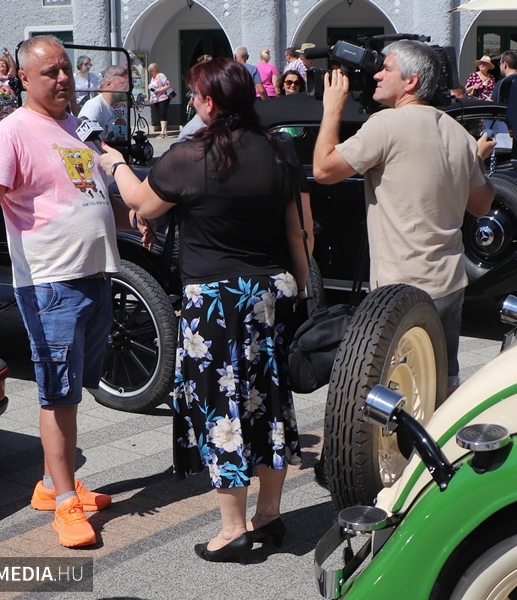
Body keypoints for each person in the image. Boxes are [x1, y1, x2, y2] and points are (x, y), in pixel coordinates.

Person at [0, 34, 149, 549]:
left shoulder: (77, 128)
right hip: (50, 284)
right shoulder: (12, 133)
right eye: (51, 72)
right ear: (23, 78)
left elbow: (90, 196)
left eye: (66, 68)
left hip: (96, 276)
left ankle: (51, 484)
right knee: (56, 393)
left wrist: (132, 217)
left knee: (71, 392)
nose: (63, 78)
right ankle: (65, 501)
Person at [100, 57, 312, 564]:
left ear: (211, 103)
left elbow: (142, 203)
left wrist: (116, 165)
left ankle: (233, 530)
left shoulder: (189, 155)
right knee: (268, 403)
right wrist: (300, 294)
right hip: (271, 294)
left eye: (195, 97)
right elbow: (297, 230)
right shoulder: (279, 148)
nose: (192, 103)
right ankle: (269, 514)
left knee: (223, 408)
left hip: (216, 302)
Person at [313, 40, 496, 394]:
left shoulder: (386, 124)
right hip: (449, 284)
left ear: (410, 82)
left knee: (393, 395)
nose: (377, 75)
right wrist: (476, 160)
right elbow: (482, 205)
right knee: (442, 385)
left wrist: (333, 108)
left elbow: (323, 169)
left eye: (387, 69)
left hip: (401, 291)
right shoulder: (457, 133)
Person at [78, 65, 130, 139]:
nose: (127, 88)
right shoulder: (93, 106)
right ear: (109, 84)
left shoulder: (121, 109)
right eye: (123, 84)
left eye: (128, 84)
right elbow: (86, 141)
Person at [148, 62, 173, 138]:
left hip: (163, 97)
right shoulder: (152, 79)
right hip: (156, 99)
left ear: (156, 69)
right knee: (160, 114)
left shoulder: (161, 75)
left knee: (162, 114)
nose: (151, 73)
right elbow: (152, 89)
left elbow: (168, 85)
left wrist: (160, 90)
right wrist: (151, 97)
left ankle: (163, 132)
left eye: (152, 71)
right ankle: (164, 132)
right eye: (150, 71)